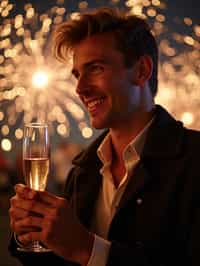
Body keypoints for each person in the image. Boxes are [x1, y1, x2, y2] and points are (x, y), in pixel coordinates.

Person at [8, 7, 200, 266]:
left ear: (142, 70)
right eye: (77, 74)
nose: (80, 88)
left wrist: (87, 248)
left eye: (95, 68)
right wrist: (32, 234)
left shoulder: (194, 159)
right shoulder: (83, 169)